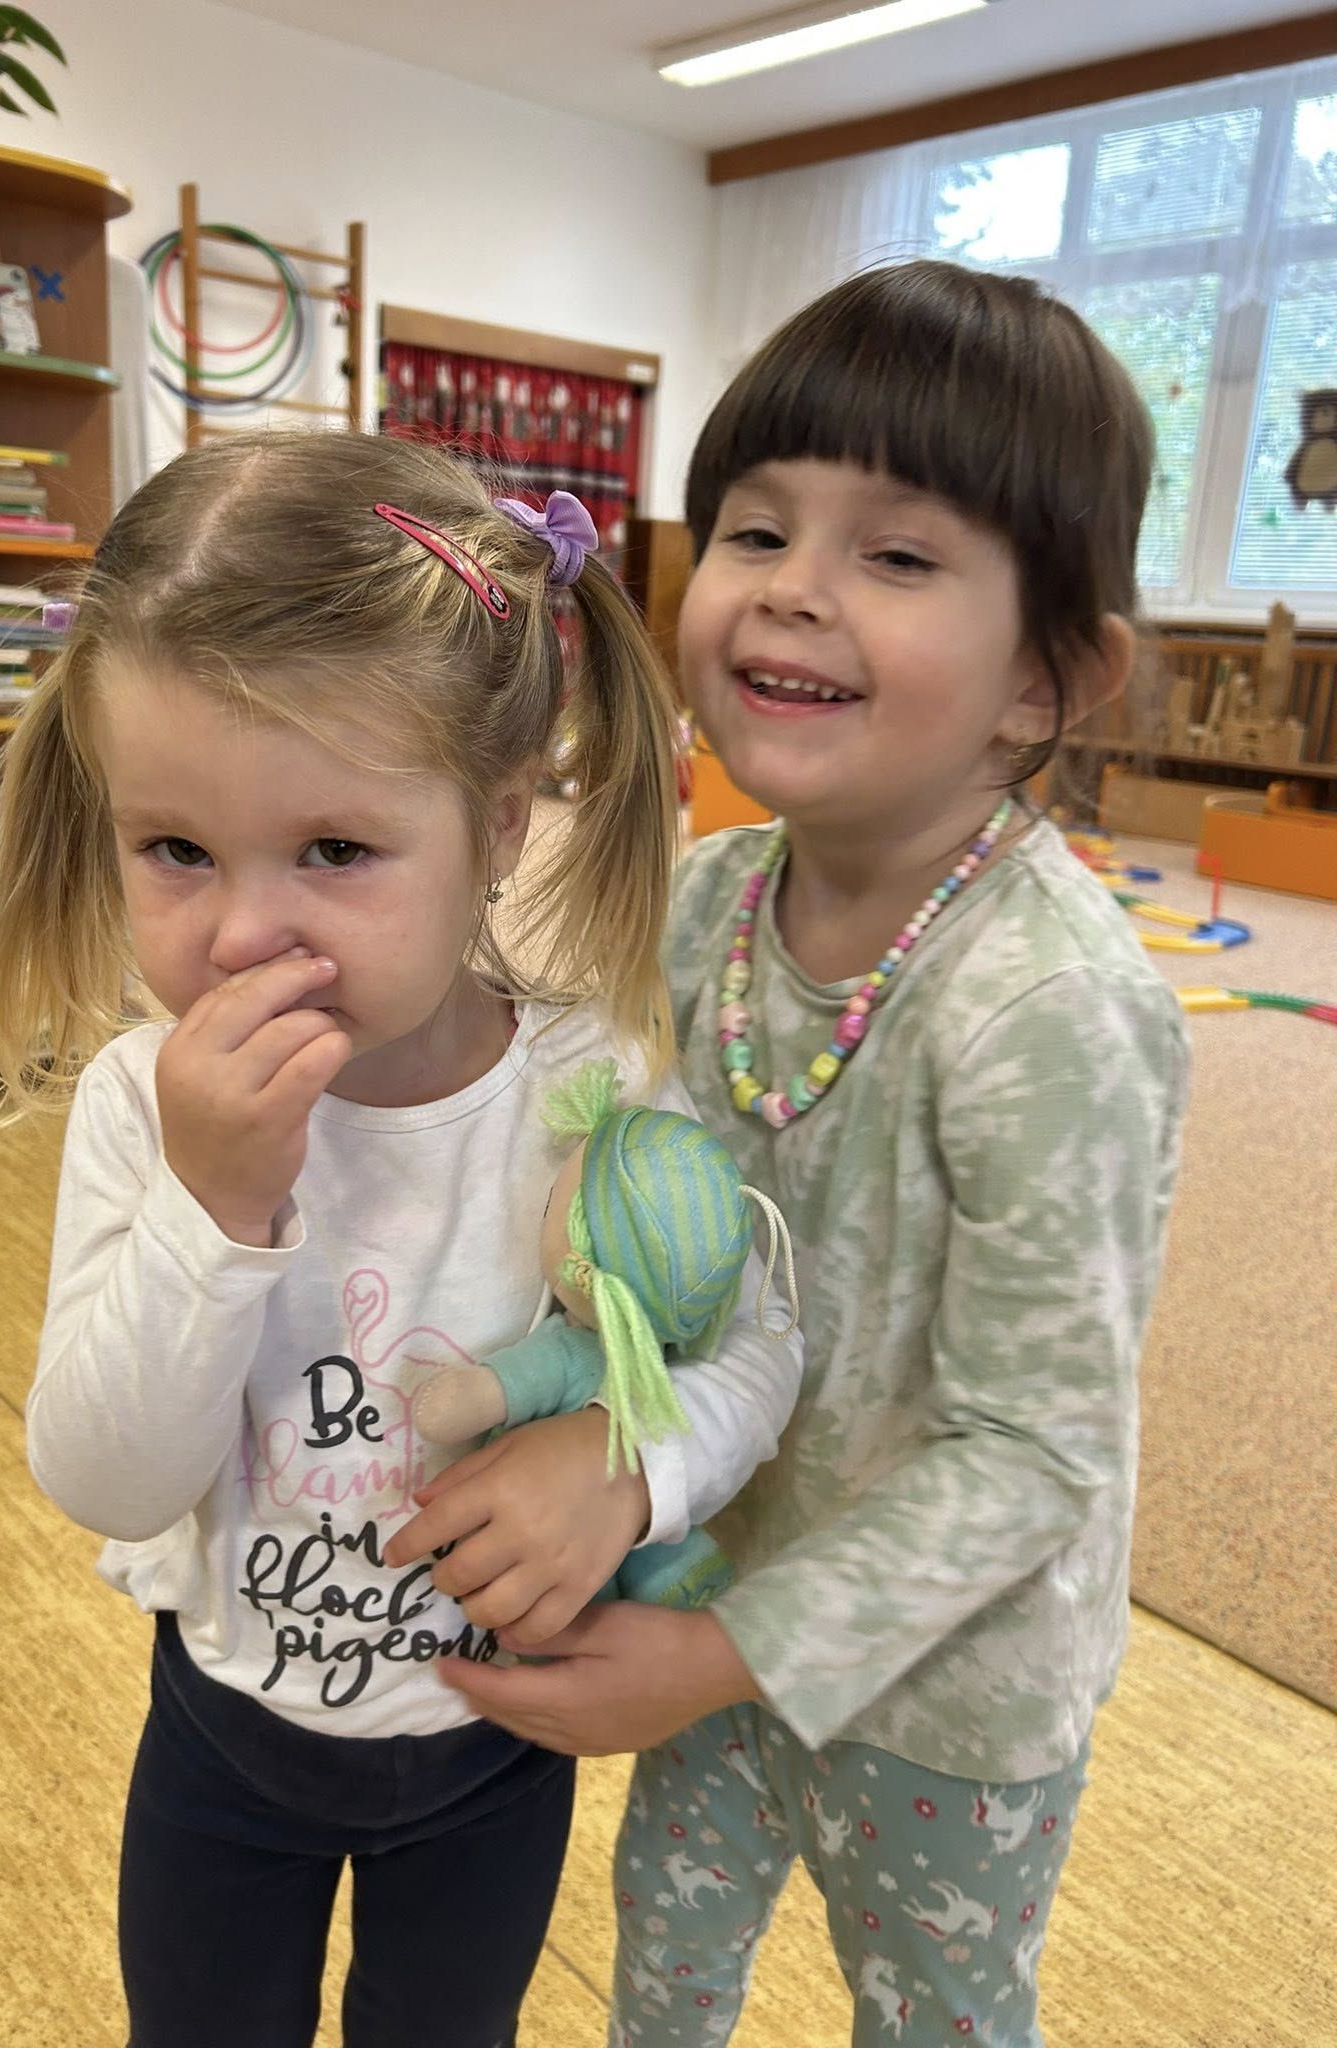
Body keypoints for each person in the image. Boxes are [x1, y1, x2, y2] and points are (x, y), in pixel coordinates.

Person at [430, 261, 1191, 2045]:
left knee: (931, 2014)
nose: (791, 588)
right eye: (757, 529)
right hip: (709, 1577)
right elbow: (604, 1202)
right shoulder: (704, 901)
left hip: (945, 1699)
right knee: (665, 1979)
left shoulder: (1051, 1009)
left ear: (1047, 677)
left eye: (899, 555)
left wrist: (716, 1655)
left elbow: (1038, 1447)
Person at [0, 429, 803, 2048]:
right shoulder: (145, 1103)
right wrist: (214, 1209)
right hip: (222, 1744)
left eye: (337, 852)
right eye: (176, 849)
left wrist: (632, 1473)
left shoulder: (591, 1086)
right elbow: (108, 1480)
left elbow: (761, 1339)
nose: (242, 932)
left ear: (498, 830)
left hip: (493, 1757)